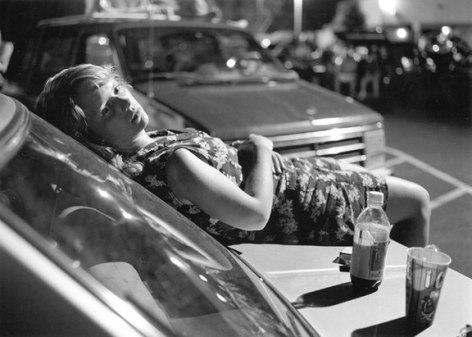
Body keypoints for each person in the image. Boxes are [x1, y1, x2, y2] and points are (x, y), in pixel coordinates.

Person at [36, 64, 430, 247]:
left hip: (301, 178)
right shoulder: (174, 164)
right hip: (307, 204)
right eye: (107, 110)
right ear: (94, 139)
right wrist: (260, 149)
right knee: (417, 200)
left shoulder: (150, 147)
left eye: (117, 89)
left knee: (395, 190)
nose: (124, 103)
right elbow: (255, 216)